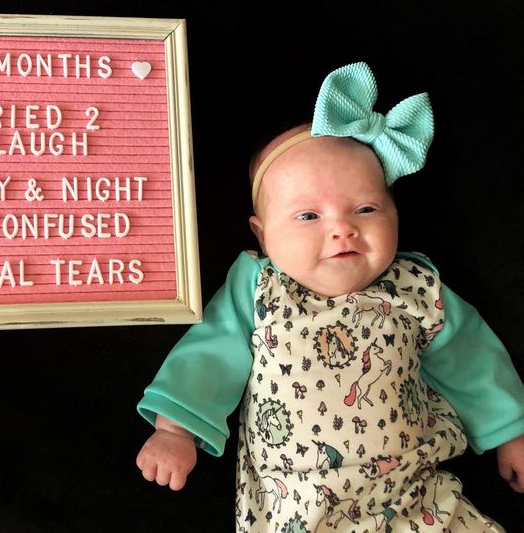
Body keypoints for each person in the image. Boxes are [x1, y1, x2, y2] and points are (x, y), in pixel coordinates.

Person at [136, 62, 524, 532]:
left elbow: (472, 359)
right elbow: (209, 355)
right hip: (297, 506)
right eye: (307, 216)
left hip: (415, 495)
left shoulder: (417, 288)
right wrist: (175, 430)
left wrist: (512, 431)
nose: (343, 228)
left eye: (366, 208)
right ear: (263, 236)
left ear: (395, 215)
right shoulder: (259, 288)